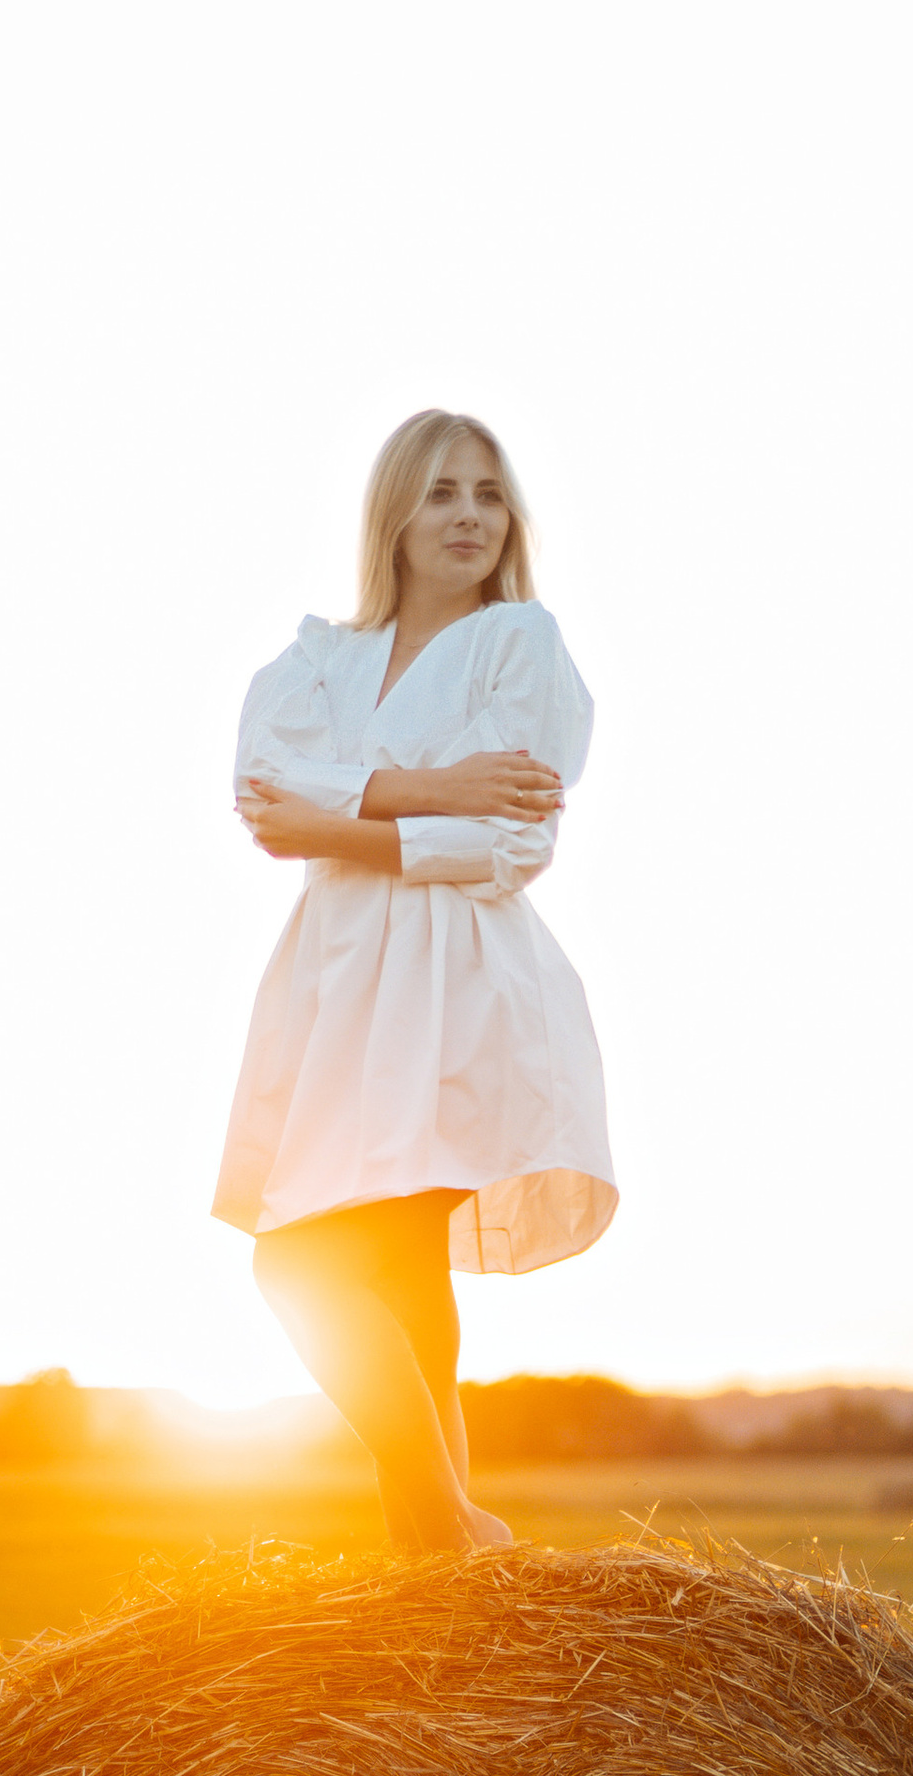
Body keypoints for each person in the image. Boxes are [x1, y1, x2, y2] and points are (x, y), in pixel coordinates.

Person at [212, 410, 616, 1551]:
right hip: (338, 986)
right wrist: (430, 788)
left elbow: (512, 846)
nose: (470, 517)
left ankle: (440, 1529)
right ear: (394, 512)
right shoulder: (319, 660)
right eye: (442, 493)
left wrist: (340, 814)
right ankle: (437, 1552)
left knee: (312, 1258)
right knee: (379, 1264)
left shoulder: (521, 644)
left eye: (489, 495)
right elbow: (262, 788)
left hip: (456, 979)